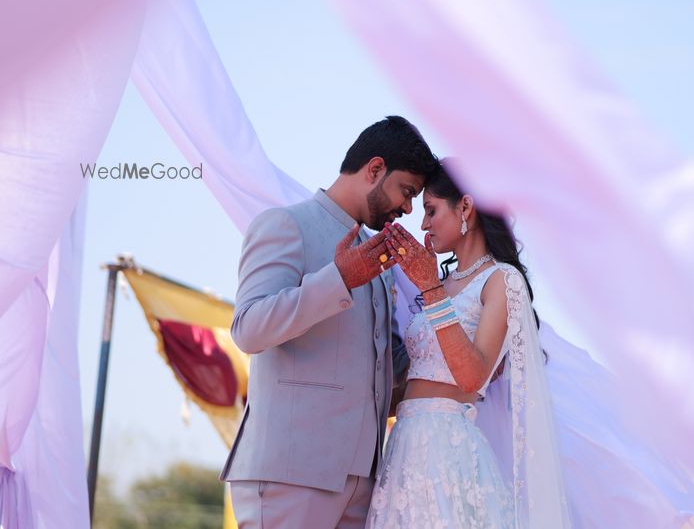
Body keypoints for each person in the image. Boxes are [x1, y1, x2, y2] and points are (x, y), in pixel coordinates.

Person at [221, 116, 438, 529]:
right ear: (375, 169)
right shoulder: (286, 224)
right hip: (291, 473)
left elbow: (384, 368)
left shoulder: (380, 261)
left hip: (363, 482)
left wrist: (450, 319)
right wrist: (339, 279)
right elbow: (247, 328)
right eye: (407, 191)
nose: (409, 208)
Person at [369, 159, 571, 528]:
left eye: (431, 210)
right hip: (402, 448)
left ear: (465, 206)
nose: (424, 224)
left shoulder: (502, 280)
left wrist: (428, 287)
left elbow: (473, 376)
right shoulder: (442, 284)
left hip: (448, 453)